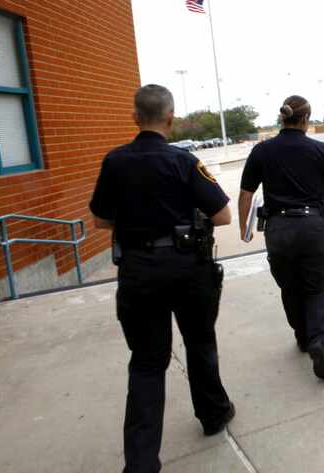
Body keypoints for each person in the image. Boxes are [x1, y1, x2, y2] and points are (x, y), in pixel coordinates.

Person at [89, 84, 235, 473]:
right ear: (170, 118)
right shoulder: (184, 162)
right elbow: (222, 215)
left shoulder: (114, 161)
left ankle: (140, 463)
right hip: (188, 268)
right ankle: (214, 414)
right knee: (200, 343)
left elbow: (102, 219)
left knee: (147, 363)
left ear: (135, 117)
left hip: (138, 271)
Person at [238, 95, 324, 380]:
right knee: (318, 289)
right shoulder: (319, 149)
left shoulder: (262, 151)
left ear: (282, 118)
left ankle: (303, 337)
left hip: (278, 228)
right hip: (315, 226)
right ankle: (318, 340)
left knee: (290, 287)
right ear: (306, 118)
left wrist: (245, 229)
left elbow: (245, 194)